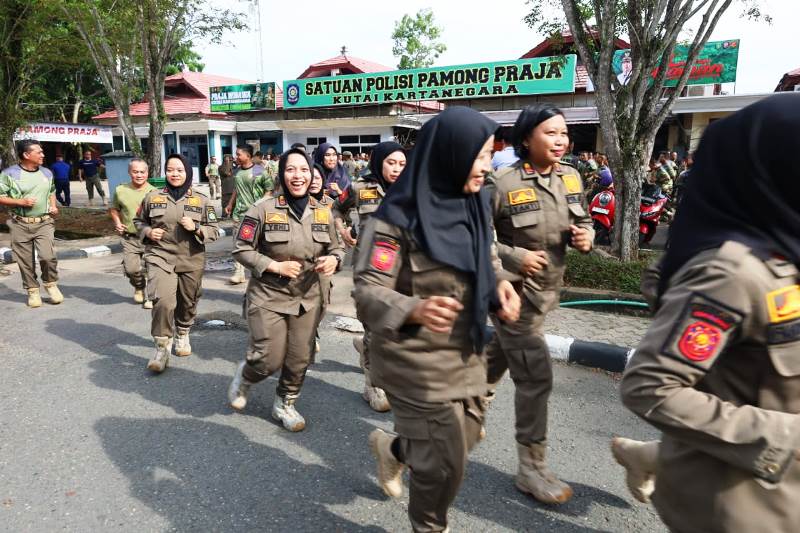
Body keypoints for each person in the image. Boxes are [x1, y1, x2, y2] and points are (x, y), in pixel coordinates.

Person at [614, 94, 800, 532]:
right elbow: (649, 386)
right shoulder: (732, 274)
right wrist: (783, 436)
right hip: (743, 506)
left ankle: (654, 456)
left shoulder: (785, 246)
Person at [355, 107, 520, 533]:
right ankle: (429, 526)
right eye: (479, 156)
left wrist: (498, 283)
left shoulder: (472, 206)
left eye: (489, 155)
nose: (486, 166)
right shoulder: (393, 220)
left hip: (463, 349)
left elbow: (484, 258)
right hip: (411, 357)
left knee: (462, 441)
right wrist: (413, 308)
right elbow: (367, 292)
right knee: (444, 462)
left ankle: (393, 449)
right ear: (450, 155)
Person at [485, 103, 594, 505]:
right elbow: (478, 240)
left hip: (547, 293)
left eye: (564, 133)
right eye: (551, 133)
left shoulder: (570, 176)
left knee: (493, 358)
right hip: (512, 296)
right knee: (535, 377)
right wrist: (515, 258)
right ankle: (532, 467)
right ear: (527, 138)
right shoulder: (502, 181)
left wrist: (585, 237)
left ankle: (463, 404)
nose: (561, 140)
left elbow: (581, 220)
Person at [226, 148, 345, 431]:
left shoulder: (322, 211)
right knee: (267, 358)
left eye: (304, 170)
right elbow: (241, 249)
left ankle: (285, 403)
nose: (298, 175)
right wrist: (273, 266)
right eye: (291, 169)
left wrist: (334, 259)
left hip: (308, 297)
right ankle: (246, 377)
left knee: (299, 357)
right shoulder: (262, 209)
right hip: (268, 296)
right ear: (282, 174)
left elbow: (337, 247)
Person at [333, 141, 407, 412]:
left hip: (402, 268)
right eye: (391, 163)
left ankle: (367, 350)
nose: (397, 169)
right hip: (369, 270)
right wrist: (342, 230)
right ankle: (372, 385)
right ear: (379, 162)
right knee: (375, 327)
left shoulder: (413, 190)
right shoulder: (359, 188)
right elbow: (335, 209)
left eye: (401, 164)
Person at [134, 154, 220, 373]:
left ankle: (182, 332)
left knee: (188, 300)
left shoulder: (201, 200)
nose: (174, 174)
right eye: (170, 170)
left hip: (191, 258)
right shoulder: (152, 197)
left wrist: (196, 228)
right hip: (160, 256)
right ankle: (161, 348)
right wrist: (147, 231)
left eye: (179, 170)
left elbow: (215, 230)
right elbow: (139, 221)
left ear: (188, 173)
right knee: (162, 301)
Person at [0, 140, 63, 307]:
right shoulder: (9, 174)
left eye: (42, 152)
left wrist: (53, 206)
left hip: (44, 222)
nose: (43, 155)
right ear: (26, 155)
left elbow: (52, 191)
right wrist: (20, 202)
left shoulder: (47, 173)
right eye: (39, 152)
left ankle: (51, 285)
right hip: (19, 223)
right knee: (25, 261)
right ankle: (33, 291)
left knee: (47, 257)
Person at [109, 158, 156, 308]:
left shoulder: (154, 192)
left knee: (153, 269)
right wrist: (117, 222)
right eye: (135, 172)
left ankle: (150, 296)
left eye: (142, 172)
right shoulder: (120, 190)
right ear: (130, 173)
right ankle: (139, 285)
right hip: (130, 237)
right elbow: (114, 208)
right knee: (131, 269)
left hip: (150, 238)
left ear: (147, 173)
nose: (139, 175)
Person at [224, 144, 274, 284]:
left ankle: (259, 271)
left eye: (239, 154)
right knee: (237, 243)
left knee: (256, 245)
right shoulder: (238, 171)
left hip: (255, 215)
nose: (236, 157)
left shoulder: (259, 171)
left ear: (247, 155)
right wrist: (230, 204)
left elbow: (269, 189)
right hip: (239, 214)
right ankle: (238, 273)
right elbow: (236, 188)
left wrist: (260, 207)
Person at [219, 154, 235, 218]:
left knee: (234, 205)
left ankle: (232, 216)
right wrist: (227, 162)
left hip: (234, 190)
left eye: (231, 160)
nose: (230, 161)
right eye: (228, 160)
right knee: (225, 204)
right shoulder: (221, 168)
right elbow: (226, 173)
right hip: (226, 190)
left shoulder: (234, 168)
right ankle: (224, 216)